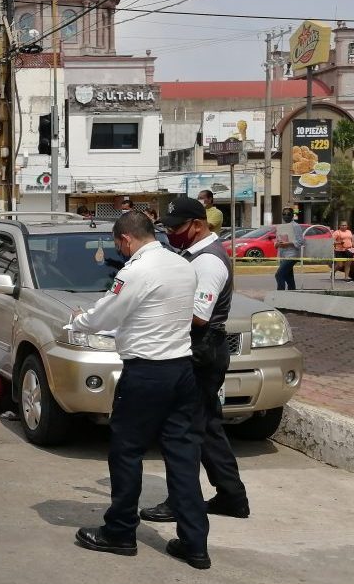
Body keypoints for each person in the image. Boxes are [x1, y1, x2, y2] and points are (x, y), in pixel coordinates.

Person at [70, 212, 210, 570]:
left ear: (124, 240)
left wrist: (77, 321)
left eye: (119, 245)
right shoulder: (182, 265)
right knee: (182, 456)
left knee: (126, 452)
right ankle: (195, 543)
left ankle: (119, 532)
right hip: (182, 371)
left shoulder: (135, 271)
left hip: (146, 373)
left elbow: (102, 317)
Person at [141, 198, 250, 526]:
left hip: (201, 351)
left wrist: (155, 310)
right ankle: (232, 496)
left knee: (182, 431)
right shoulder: (193, 255)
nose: (171, 232)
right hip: (200, 350)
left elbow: (199, 316)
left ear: (197, 225)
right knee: (205, 427)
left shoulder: (208, 263)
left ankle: (179, 501)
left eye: (176, 227)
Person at [274, 208, 304, 290]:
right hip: (282, 254)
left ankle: (281, 294)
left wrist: (288, 243)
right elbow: (276, 240)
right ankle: (292, 293)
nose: (286, 216)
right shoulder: (280, 226)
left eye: (288, 214)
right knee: (289, 277)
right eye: (284, 214)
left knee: (279, 274)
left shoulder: (295, 226)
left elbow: (300, 241)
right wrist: (277, 244)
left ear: (292, 215)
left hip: (292, 255)